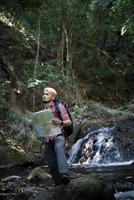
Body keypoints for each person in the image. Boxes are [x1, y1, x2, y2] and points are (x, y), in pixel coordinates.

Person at [41, 87, 71, 186]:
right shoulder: (43, 111)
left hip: (59, 135)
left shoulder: (60, 106)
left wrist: (60, 122)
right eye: (44, 94)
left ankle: (64, 174)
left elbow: (69, 122)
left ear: (53, 97)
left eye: (47, 94)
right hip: (47, 138)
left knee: (58, 148)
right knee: (50, 161)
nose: (44, 95)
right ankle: (58, 183)